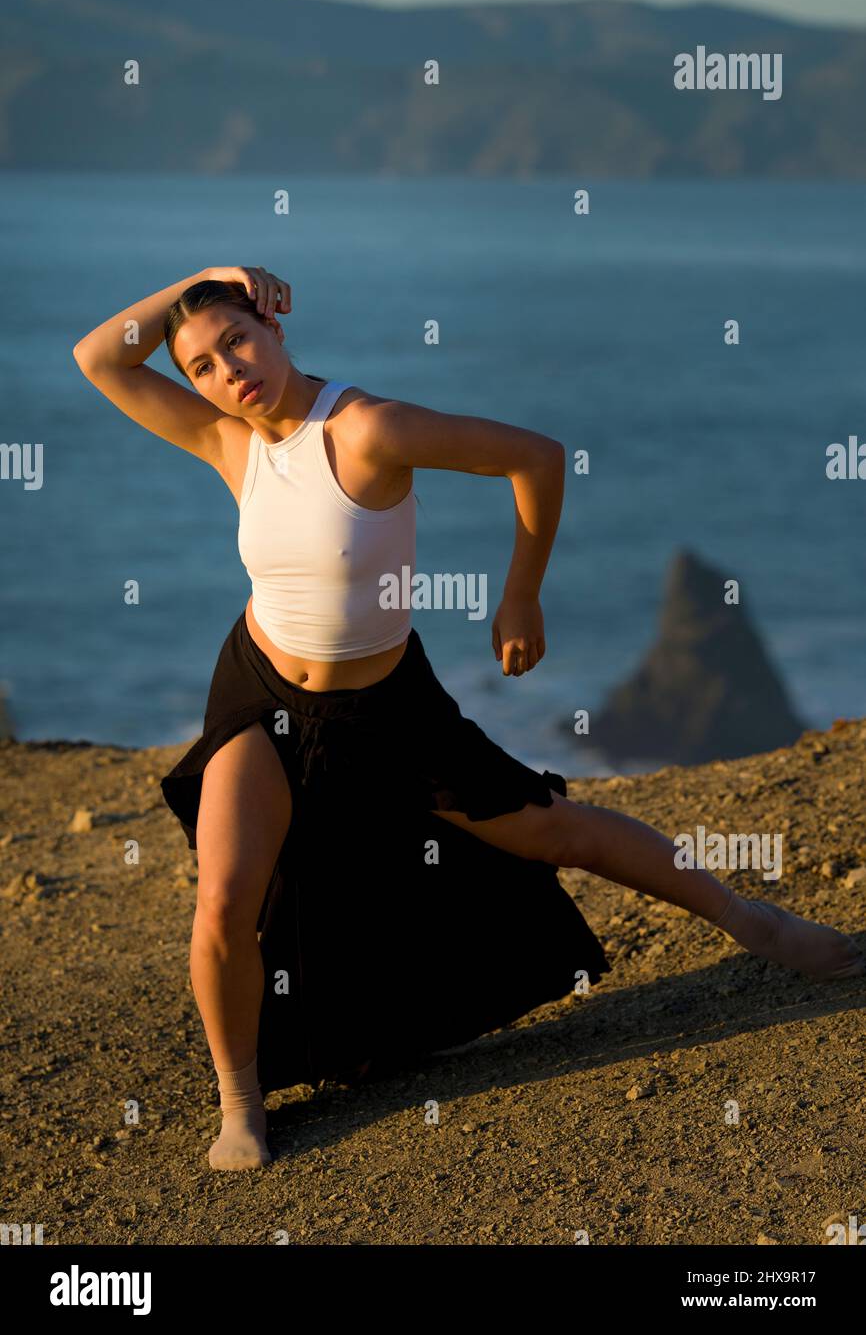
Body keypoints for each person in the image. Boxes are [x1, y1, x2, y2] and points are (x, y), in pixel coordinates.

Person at [72, 264, 865, 1171]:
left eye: (237, 340)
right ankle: (241, 1104)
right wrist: (203, 276)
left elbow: (535, 456)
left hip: (386, 703)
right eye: (202, 367)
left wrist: (520, 595)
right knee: (224, 897)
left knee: (556, 829)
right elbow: (100, 359)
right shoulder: (228, 441)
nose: (228, 373)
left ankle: (754, 923)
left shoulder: (366, 428)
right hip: (258, 691)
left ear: (275, 325)